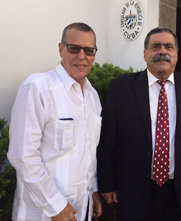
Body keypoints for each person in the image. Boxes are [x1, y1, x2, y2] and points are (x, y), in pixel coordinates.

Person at [97, 27, 181, 221]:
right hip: (132, 189)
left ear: (176, 53)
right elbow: (108, 140)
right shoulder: (121, 88)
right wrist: (107, 183)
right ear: (145, 54)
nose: (162, 51)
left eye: (168, 46)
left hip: (178, 190)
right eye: (156, 46)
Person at [7, 22, 102, 221]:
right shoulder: (38, 87)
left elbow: (89, 153)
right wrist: (56, 206)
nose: (82, 56)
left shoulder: (93, 97)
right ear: (61, 49)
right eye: (74, 48)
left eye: (89, 50)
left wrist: (93, 190)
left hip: (81, 209)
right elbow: (22, 156)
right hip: (41, 213)